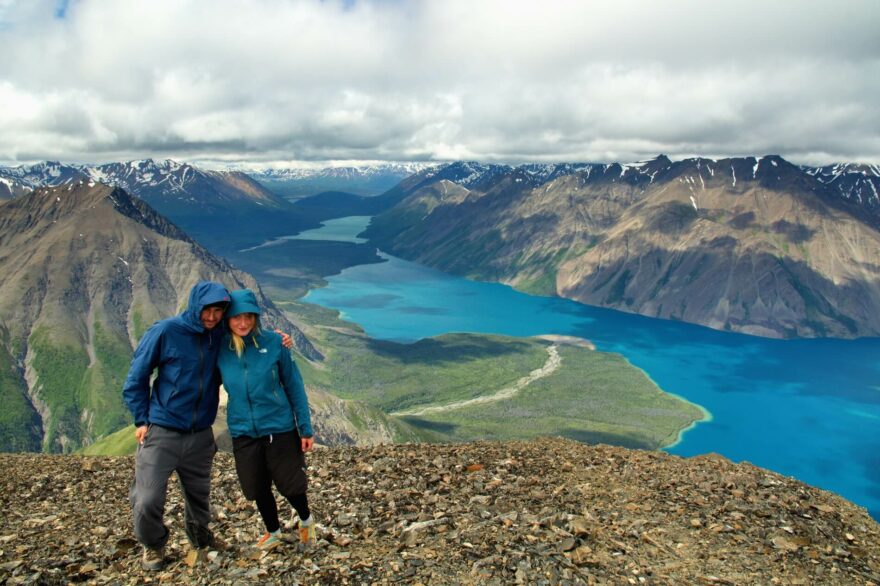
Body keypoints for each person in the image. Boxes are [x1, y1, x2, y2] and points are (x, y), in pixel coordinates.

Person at [122, 281, 291, 570]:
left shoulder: (220, 335)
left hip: (200, 432)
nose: (211, 317)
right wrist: (141, 418)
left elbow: (248, 335)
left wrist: (277, 338)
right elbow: (136, 377)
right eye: (206, 310)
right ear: (194, 306)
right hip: (163, 429)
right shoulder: (166, 332)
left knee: (199, 498)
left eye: (217, 311)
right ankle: (154, 545)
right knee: (148, 498)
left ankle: (200, 539)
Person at [217, 288, 315, 551]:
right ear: (227, 320)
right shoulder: (221, 349)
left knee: (290, 484)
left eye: (249, 316)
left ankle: (306, 521)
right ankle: (273, 531)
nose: (243, 323)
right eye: (237, 317)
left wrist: (305, 428)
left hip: (278, 427)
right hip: (243, 431)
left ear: (256, 317)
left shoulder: (275, 343)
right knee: (256, 486)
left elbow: (294, 385)